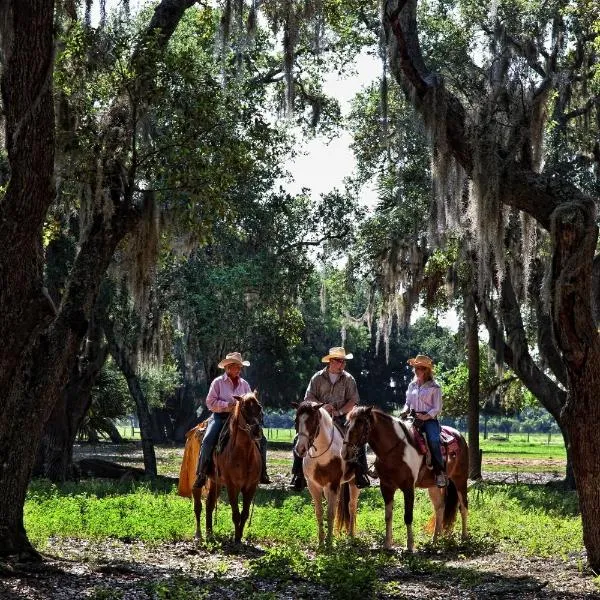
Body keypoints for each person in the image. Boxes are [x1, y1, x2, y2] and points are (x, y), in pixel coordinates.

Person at [290, 346, 371, 491]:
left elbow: (353, 401)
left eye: (344, 362)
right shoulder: (317, 377)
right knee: (298, 439)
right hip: (319, 419)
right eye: (340, 361)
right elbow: (308, 398)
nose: (343, 364)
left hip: (341, 418)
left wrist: (339, 411)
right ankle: (298, 475)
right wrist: (322, 407)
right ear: (331, 361)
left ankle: (361, 473)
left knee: (357, 440)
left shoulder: (349, 379)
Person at [193, 352, 270, 488]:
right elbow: (210, 402)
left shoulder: (244, 384)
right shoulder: (217, 382)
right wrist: (227, 405)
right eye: (236, 366)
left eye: (240, 367)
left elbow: (251, 401)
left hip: (241, 420)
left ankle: (262, 472)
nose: (239, 369)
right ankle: (202, 473)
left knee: (262, 440)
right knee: (208, 440)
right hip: (220, 417)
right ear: (227, 367)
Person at [400, 354, 446, 487]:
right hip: (412, 418)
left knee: (433, 440)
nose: (417, 370)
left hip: (429, 420)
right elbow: (408, 402)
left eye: (420, 368)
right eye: (416, 368)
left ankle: (439, 472)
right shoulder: (411, 385)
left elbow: (437, 408)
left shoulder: (435, 386)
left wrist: (425, 417)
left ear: (427, 370)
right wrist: (405, 410)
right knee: (398, 435)